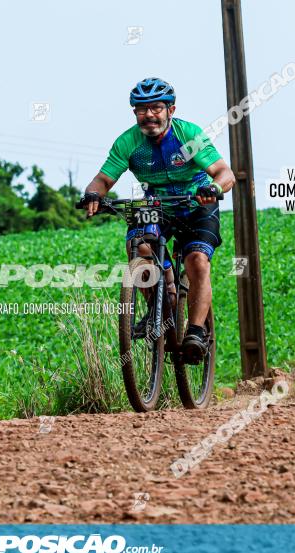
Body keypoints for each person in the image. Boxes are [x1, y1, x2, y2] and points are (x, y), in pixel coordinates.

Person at [81, 77, 235, 364]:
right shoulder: (129, 142)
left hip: (195, 201)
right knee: (138, 248)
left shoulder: (188, 135)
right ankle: (158, 306)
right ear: (134, 113)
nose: (149, 115)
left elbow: (224, 173)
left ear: (171, 110)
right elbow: (103, 179)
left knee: (197, 260)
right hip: (157, 203)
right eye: (141, 109)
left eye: (156, 108)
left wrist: (213, 189)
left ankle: (197, 332)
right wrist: (93, 194)